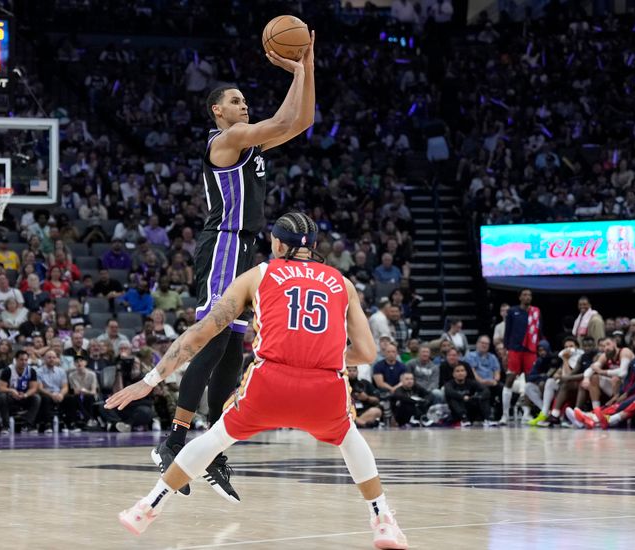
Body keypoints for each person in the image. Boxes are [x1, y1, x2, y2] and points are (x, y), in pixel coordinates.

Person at [106, 212, 408, 548]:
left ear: (277, 244)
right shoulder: (342, 282)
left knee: (215, 438)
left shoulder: (260, 274)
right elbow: (366, 353)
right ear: (314, 247)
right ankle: (382, 520)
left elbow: (199, 335)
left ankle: (148, 506)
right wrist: (321, 356)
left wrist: (150, 379)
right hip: (324, 388)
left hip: (270, 383)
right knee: (350, 439)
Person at [150, 36, 318, 503]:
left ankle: (212, 446)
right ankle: (175, 442)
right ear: (217, 112)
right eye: (236, 101)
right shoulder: (226, 141)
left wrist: (306, 63)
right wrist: (297, 69)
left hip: (248, 250)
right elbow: (285, 118)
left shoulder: (252, 143)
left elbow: (301, 120)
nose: (244, 105)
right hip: (224, 244)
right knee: (215, 336)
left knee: (235, 350)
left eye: (246, 100)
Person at [502, 288, 541, 424]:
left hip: (530, 350)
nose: (527, 297)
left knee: (529, 381)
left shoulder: (535, 312)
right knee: (510, 378)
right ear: (520, 297)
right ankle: (505, 415)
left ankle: (527, 413)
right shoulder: (512, 311)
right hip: (515, 349)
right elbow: (507, 331)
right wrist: (506, 350)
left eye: (529, 295)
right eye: (524, 295)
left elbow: (538, 331)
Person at [0, 350, 41, 434]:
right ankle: (5, 426)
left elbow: (34, 388)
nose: (24, 362)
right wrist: (11, 390)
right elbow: (0, 388)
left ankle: (27, 425)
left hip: (24, 397)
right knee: (1, 397)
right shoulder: (8, 370)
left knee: (37, 398)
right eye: (21, 359)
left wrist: (26, 394)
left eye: (26, 360)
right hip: (11, 398)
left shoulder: (31, 371)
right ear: (16, 360)